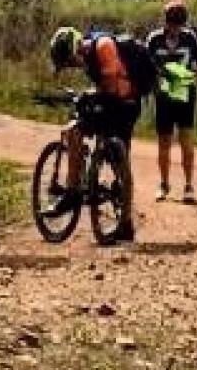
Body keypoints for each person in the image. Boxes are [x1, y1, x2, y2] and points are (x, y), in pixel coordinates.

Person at [48, 23, 144, 243]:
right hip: (117, 103)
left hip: (124, 105)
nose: (72, 67)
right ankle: (119, 218)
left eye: (71, 62)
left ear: (77, 48)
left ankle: (74, 193)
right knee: (84, 134)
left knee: (76, 132)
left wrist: (88, 95)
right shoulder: (90, 53)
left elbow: (109, 88)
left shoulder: (104, 46)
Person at [145, 0, 197, 202]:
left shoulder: (190, 37)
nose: (175, 28)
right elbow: (146, 64)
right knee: (164, 142)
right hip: (163, 96)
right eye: (171, 22)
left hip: (185, 94)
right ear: (165, 21)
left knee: (186, 141)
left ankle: (189, 186)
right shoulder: (154, 39)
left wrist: (189, 74)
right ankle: (163, 184)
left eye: (178, 23)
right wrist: (155, 86)